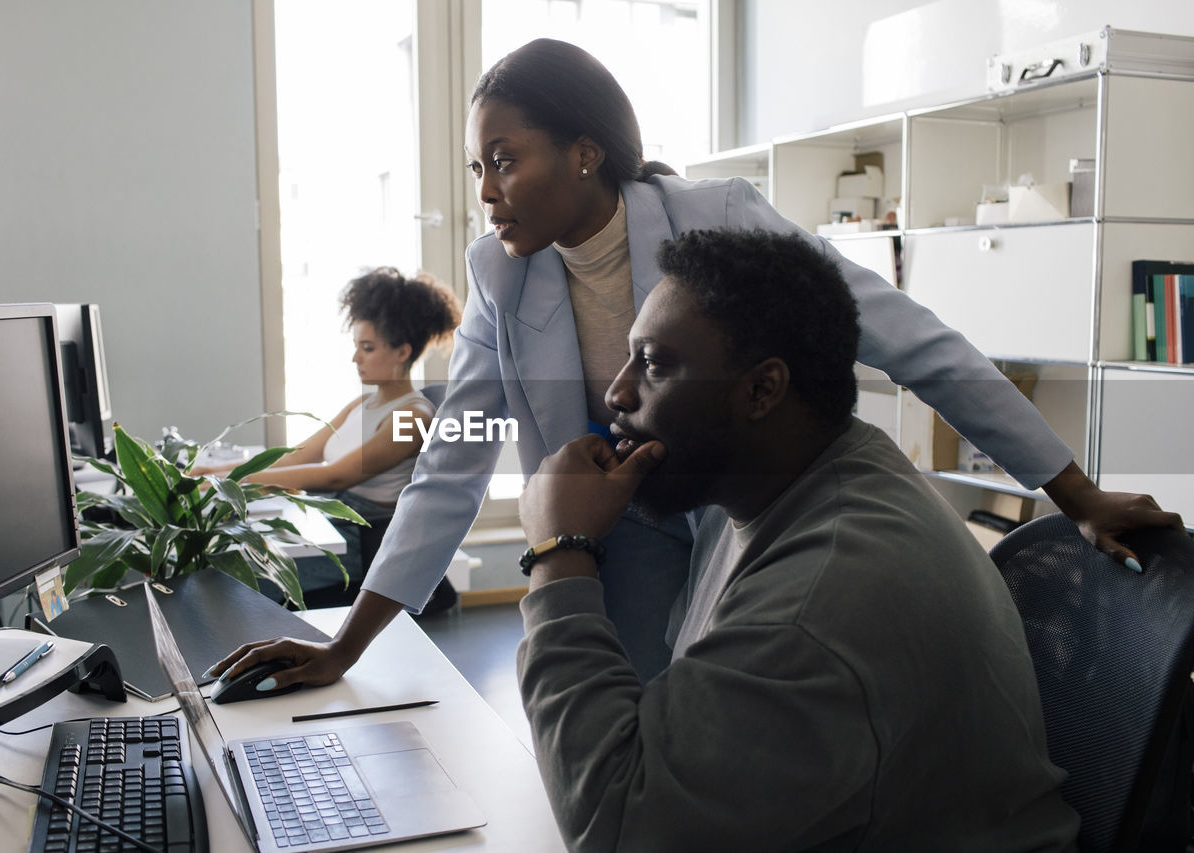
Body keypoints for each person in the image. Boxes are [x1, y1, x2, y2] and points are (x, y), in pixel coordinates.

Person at [208, 37, 1180, 688]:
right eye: (476, 168)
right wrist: (347, 645)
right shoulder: (496, 278)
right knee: (617, 714)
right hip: (623, 522)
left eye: (504, 159)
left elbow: (905, 336)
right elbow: (455, 456)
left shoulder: (714, 219)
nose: (487, 191)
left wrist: (1073, 492)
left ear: (584, 153)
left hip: (743, 507)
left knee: (743, 710)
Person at [515, 227, 1081, 851]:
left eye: (652, 363)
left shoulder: (821, 598)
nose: (616, 393)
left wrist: (560, 555)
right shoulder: (790, 485)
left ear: (762, 390)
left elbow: (621, 832)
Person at [192, 266, 460, 587]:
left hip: (357, 543)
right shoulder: (360, 404)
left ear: (402, 352)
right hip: (330, 523)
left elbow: (335, 475)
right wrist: (214, 472)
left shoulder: (413, 416)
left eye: (368, 348)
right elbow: (295, 456)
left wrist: (232, 480)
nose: (355, 358)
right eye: (357, 345)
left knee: (231, 577)